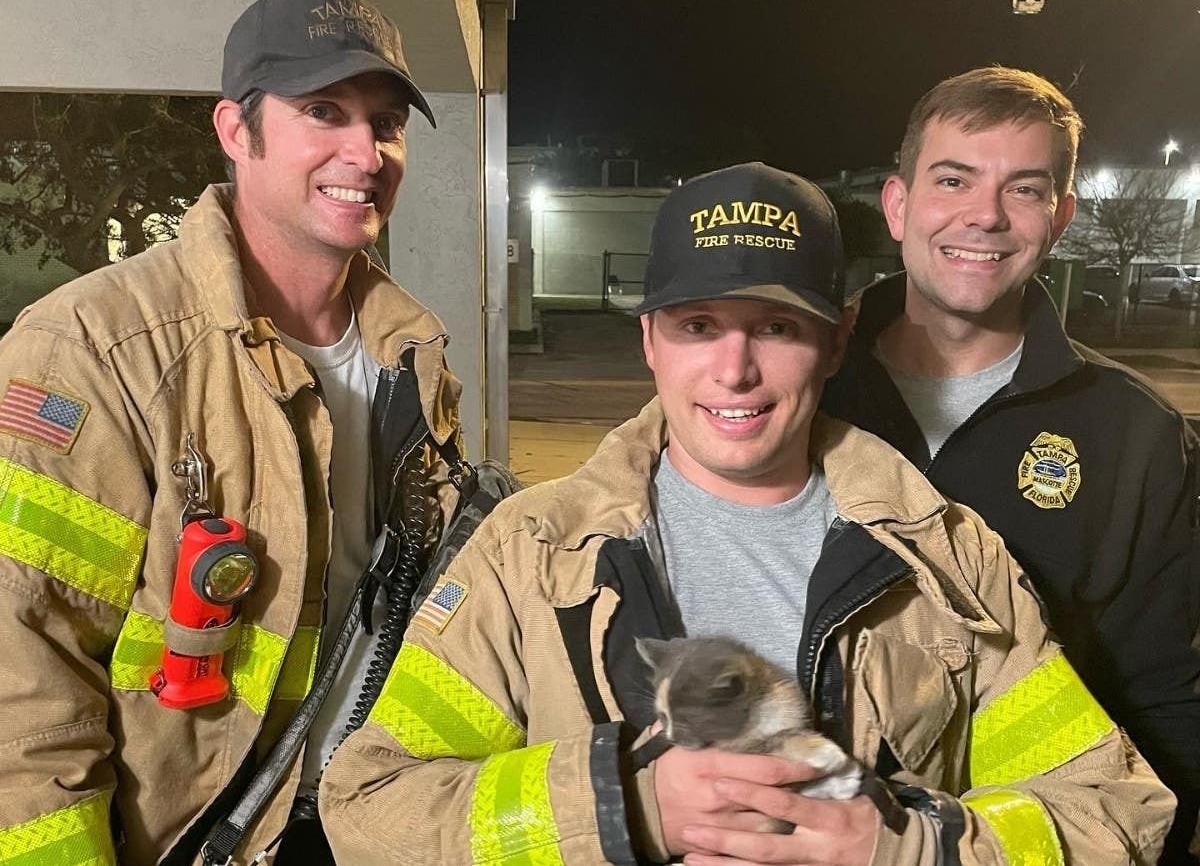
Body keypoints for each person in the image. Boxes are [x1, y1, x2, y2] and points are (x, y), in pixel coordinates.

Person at [319, 162, 1173, 865]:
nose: (735, 370)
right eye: (698, 325)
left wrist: (897, 848)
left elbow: (1118, 815)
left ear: (837, 340)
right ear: (650, 338)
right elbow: (370, 807)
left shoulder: (950, 563)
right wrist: (631, 806)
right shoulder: (527, 557)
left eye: (774, 326)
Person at [0, 0, 465, 865]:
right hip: (200, 834)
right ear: (234, 131)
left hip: (368, 814)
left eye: (386, 121)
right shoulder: (94, 349)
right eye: (323, 111)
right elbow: (21, 679)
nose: (364, 152)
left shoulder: (414, 351)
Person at [822, 66, 1200, 864]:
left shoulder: (1137, 435)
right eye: (954, 179)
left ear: (1059, 217)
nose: (985, 216)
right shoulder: (801, 391)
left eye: (1024, 190)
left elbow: (1162, 702)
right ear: (899, 204)